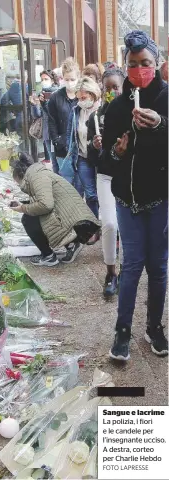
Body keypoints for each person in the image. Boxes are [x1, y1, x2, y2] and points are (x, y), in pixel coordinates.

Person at [101, 30, 168, 360]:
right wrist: (116, 150)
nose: (139, 69)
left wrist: (160, 126)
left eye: (145, 63)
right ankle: (122, 330)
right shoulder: (115, 108)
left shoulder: (167, 98)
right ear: (125, 66)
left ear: (156, 64)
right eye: (132, 64)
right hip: (127, 200)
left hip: (160, 198)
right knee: (132, 266)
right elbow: (106, 161)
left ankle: (154, 327)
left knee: (158, 267)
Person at [10, 153, 101, 266]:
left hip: (75, 219)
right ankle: (72, 244)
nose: (19, 185)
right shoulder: (37, 173)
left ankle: (49, 256)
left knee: (28, 220)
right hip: (72, 215)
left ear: (20, 176)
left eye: (17, 182)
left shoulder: (37, 178)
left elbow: (46, 205)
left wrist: (22, 208)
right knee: (33, 214)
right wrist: (23, 204)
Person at [87, 67, 125, 297]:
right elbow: (91, 159)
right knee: (109, 224)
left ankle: (129, 271)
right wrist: (95, 146)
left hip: (130, 177)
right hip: (106, 176)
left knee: (130, 229)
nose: (111, 91)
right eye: (107, 87)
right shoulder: (95, 116)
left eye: (115, 87)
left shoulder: (134, 113)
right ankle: (110, 272)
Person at [65, 77, 100, 235]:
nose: (80, 101)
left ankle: (108, 227)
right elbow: (71, 133)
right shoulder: (77, 111)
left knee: (102, 194)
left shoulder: (102, 110)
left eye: (83, 97)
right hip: (82, 157)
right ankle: (94, 229)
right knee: (90, 194)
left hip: (100, 158)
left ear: (92, 94)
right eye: (78, 98)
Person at [48, 57, 81, 177]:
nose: (70, 82)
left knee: (80, 183)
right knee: (66, 180)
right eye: (67, 79)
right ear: (62, 78)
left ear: (78, 78)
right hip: (62, 147)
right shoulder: (55, 97)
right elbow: (51, 121)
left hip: (81, 147)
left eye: (73, 79)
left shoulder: (82, 95)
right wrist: (57, 141)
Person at [29, 70, 59, 172]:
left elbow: (55, 113)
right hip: (47, 133)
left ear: (53, 80)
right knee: (53, 163)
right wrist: (34, 104)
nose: (43, 81)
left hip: (57, 133)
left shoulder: (59, 93)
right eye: (42, 79)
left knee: (58, 161)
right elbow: (38, 115)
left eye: (46, 79)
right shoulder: (42, 94)